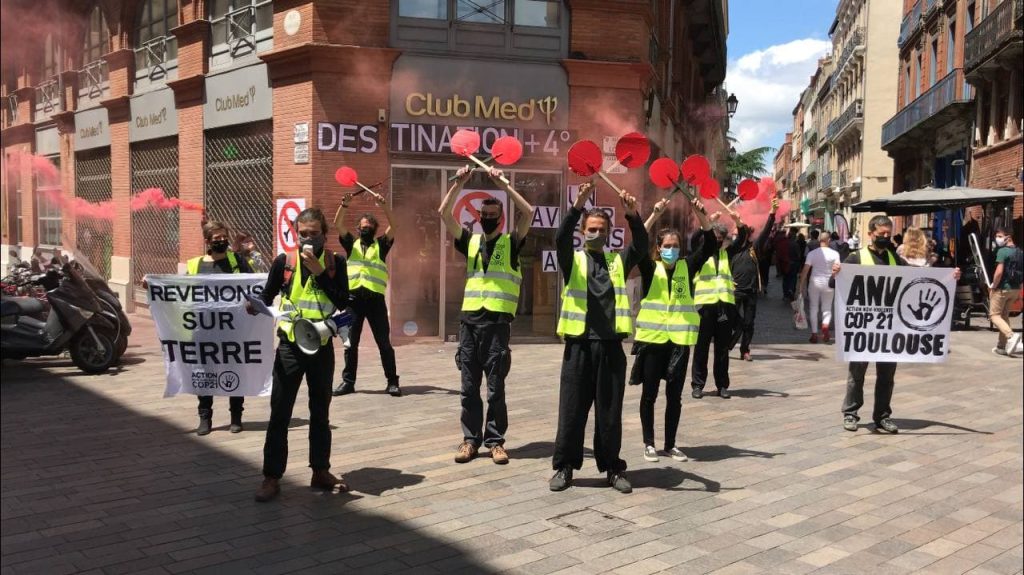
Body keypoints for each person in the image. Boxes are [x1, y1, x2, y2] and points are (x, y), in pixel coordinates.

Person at [550, 182, 646, 494]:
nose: (596, 234)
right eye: (590, 229)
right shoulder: (572, 260)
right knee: (572, 411)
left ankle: (612, 468)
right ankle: (564, 467)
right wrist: (577, 204)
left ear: (608, 233)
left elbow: (641, 247)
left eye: (601, 229)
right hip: (578, 346)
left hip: (610, 348)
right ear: (583, 231)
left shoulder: (618, 262)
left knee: (609, 414)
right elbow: (560, 238)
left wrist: (633, 215)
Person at [249, 207, 350, 502]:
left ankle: (320, 470)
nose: (308, 239)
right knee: (280, 412)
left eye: (314, 234)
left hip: (320, 347)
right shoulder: (285, 262)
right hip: (291, 347)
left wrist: (321, 275)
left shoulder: (335, 263)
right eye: (302, 234)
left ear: (324, 234)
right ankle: (271, 477)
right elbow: (267, 297)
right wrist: (255, 305)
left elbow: (344, 302)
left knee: (321, 411)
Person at [439, 166, 534, 465]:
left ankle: (495, 441)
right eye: (484, 212)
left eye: (493, 213)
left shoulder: (511, 242)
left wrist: (503, 184)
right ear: (479, 216)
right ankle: (470, 440)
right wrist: (460, 183)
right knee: (468, 388)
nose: (488, 217)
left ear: (500, 217)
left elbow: (529, 212)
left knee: (495, 388)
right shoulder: (471, 241)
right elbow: (444, 214)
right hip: (469, 323)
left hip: (496, 325)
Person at [832, 215, 960, 433]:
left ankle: (882, 416)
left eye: (888, 234)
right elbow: (835, 284)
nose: (885, 237)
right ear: (870, 233)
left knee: (887, 376)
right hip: (865, 329)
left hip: (890, 330)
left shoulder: (894, 257)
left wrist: (948, 277)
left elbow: (915, 279)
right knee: (857, 374)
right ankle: (851, 413)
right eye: (881, 234)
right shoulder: (855, 258)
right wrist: (836, 273)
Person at [632, 196, 717, 463]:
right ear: (658, 248)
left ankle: (670, 444)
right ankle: (649, 443)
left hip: (679, 341)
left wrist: (701, 214)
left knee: (674, 397)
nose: (672, 249)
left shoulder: (687, 266)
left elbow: (710, 244)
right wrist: (654, 214)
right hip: (653, 340)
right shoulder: (650, 268)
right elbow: (636, 242)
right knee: (649, 395)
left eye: (676, 246)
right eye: (667, 246)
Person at [187, 220, 254, 435]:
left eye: (224, 237)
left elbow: (255, 284)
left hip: (232, 328)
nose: (222, 241)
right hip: (204, 328)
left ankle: (236, 416)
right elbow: (179, 289)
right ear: (207, 241)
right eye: (217, 239)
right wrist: (152, 285)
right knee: (204, 373)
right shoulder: (195, 264)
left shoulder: (237, 261)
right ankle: (205, 417)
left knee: (234, 370)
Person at [332, 192, 402, 397]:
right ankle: (348, 382)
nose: (365, 229)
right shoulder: (350, 244)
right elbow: (338, 224)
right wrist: (344, 204)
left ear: (374, 230)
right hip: (353, 302)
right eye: (362, 227)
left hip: (375, 302)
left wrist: (384, 206)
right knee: (350, 343)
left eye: (369, 227)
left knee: (384, 343)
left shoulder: (381, 245)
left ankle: (392, 381)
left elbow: (395, 226)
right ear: (357, 229)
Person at [689, 210, 747, 399]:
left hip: (724, 307)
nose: (718, 240)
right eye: (714, 237)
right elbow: (694, 238)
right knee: (701, 348)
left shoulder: (727, 254)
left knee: (722, 350)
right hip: (704, 307)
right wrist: (707, 221)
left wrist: (738, 222)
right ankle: (698, 385)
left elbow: (742, 239)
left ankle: (722, 385)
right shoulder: (700, 254)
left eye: (721, 237)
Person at [729, 197, 779, 360]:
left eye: (737, 234)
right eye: (734, 234)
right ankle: (729, 343)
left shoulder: (754, 248)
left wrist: (772, 214)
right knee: (733, 321)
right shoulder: (730, 250)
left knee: (749, 323)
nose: (734, 237)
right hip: (734, 290)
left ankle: (745, 350)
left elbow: (765, 232)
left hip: (750, 291)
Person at [799, 233, 840, 343]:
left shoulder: (812, 254)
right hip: (829, 284)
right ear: (829, 240)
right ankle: (825, 326)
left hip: (814, 283)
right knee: (827, 308)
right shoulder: (835, 254)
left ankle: (814, 334)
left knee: (813, 307)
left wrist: (800, 286)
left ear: (819, 240)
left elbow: (805, 270)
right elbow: (838, 269)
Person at [989, 226, 1023, 357]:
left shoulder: (1002, 251)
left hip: (1002, 288)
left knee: (994, 315)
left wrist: (993, 287)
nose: (997, 238)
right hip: (1015, 289)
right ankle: (1001, 346)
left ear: (1008, 237)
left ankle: (1011, 336)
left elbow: (999, 272)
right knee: (1003, 316)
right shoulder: (1020, 252)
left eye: (999, 236)